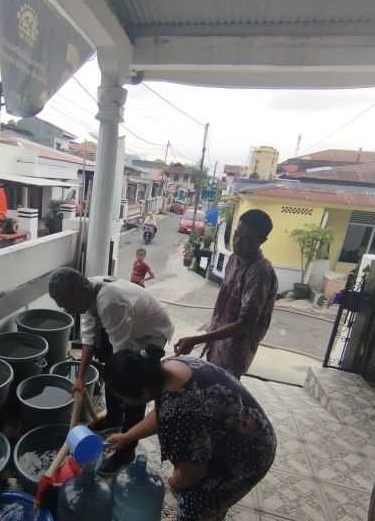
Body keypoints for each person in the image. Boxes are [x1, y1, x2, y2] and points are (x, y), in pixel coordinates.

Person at [104, 347, 276, 521]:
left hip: (249, 454)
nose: (122, 402)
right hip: (254, 428)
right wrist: (127, 436)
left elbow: (192, 475)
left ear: (143, 392)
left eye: (122, 397)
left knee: (196, 504)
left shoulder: (181, 414)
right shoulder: (166, 368)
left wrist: (174, 482)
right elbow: (162, 411)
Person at [47, 267, 173, 474]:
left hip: (152, 335)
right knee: (112, 373)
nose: (67, 311)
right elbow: (88, 340)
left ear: (79, 293)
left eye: (66, 305)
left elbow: (122, 362)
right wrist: (79, 379)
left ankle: (126, 451)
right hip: (131, 330)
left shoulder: (109, 302)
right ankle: (114, 419)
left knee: (133, 388)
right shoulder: (86, 294)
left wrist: (118, 377)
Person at [174, 209, 278, 378]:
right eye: (237, 234)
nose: (238, 241)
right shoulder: (233, 260)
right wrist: (208, 338)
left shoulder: (260, 272)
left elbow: (245, 323)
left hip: (234, 353)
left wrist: (197, 340)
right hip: (215, 346)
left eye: (247, 238)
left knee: (221, 393)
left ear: (261, 240)